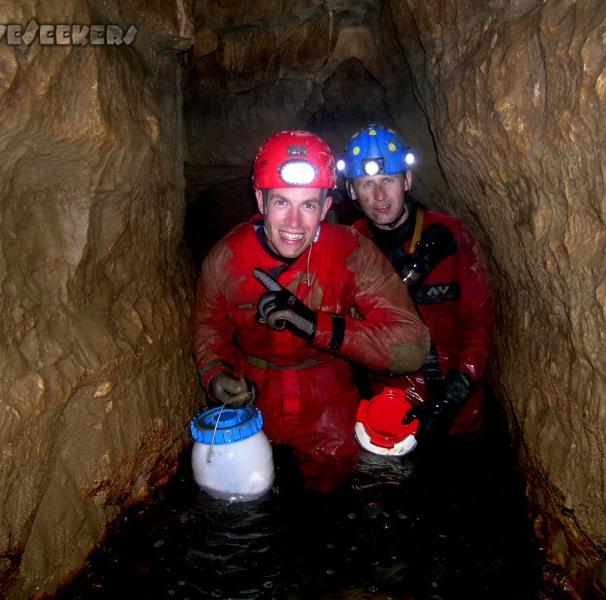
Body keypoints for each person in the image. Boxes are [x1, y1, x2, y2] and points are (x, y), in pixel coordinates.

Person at [191, 130, 430, 491]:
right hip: (256, 399)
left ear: (326, 207)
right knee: (244, 504)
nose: (293, 222)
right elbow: (209, 327)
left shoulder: (352, 253)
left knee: (333, 503)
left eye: (308, 205)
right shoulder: (226, 260)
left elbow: (412, 347)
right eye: (281, 202)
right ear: (260, 199)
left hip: (328, 398)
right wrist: (217, 374)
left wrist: (315, 326)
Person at [337, 124, 494, 443]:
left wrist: (454, 395)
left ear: (407, 180)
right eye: (367, 183)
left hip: (460, 413)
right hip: (390, 411)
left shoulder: (452, 234)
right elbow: (342, 328)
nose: (379, 195)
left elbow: (479, 323)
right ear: (352, 192)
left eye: (388, 180)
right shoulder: (347, 248)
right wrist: (404, 279)